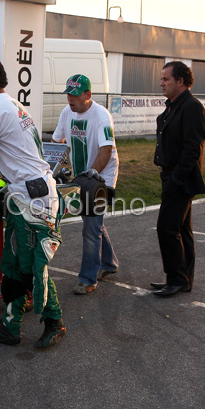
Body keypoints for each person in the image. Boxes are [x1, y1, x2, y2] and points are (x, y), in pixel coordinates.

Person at [0, 56, 66, 349]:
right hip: (25, 195)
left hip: (33, 199)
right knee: (12, 263)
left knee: (32, 266)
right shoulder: (14, 105)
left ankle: (55, 322)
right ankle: (10, 326)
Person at [52, 74, 119, 294]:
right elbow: (56, 142)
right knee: (93, 222)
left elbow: (106, 150)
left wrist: (93, 175)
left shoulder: (101, 115)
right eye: (68, 95)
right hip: (81, 176)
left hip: (101, 177)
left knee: (90, 228)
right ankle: (108, 263)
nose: (70, 99)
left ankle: (88, 279)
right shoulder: (66, 113)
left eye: (75, 95)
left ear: (88, 95)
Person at [151, 61, 205, 297]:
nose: (161, 83)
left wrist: (176, 178)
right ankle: (183, 279)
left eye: (166, 79)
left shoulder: (192, 107)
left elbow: (192, 148)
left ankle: (176, 279)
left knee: (167, 228)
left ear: (180, 81)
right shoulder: (173, 106)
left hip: (181, 179)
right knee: (182, 229)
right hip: (171, 175)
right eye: (162, 79)